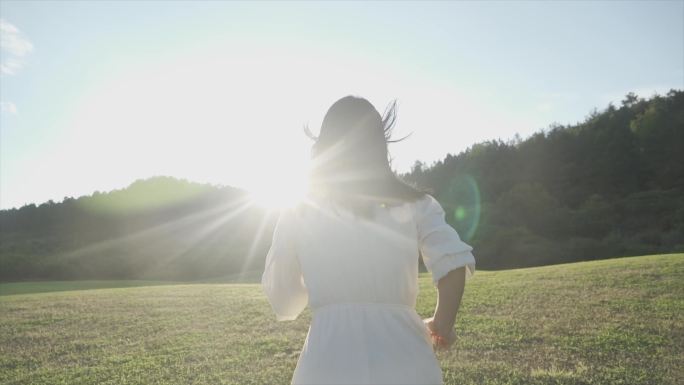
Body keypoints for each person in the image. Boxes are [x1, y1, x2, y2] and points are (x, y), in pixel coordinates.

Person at [261, 95, 476, 385]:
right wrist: (442, 325)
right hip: (406, 358)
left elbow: (284, 299)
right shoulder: (417, 204)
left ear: (324, 148)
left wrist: (326, 286)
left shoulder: (299, 212)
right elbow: (452, 262)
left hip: (327, 361)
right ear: (380, 146)